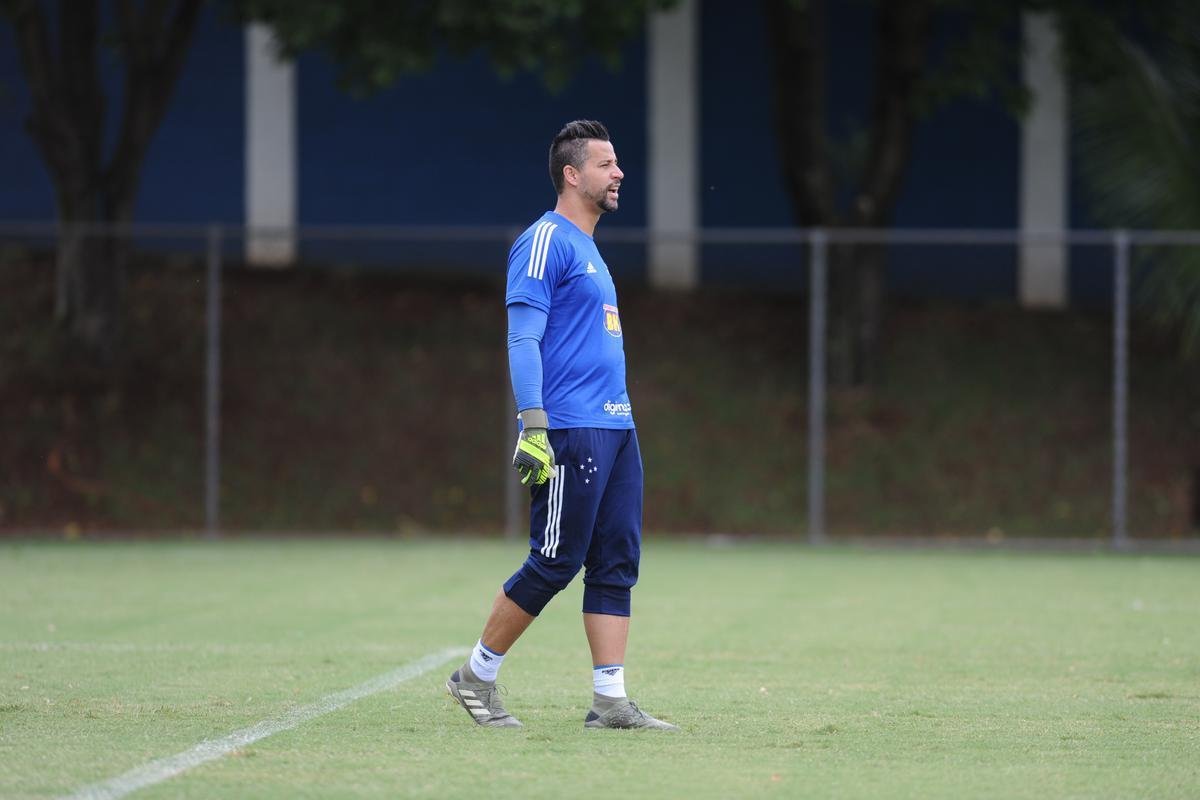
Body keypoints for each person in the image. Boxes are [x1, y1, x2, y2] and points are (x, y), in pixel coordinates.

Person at [445, 120, 678, 731]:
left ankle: (610, 702)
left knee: (614, 563)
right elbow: (523, 336)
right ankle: (475, 678)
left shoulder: (590, 248)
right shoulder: (544, 240)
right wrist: (534, 424)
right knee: (554, 559)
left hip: (618, 429)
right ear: (573, 175)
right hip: (571, 428)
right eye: (606, 164)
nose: (618, 172)